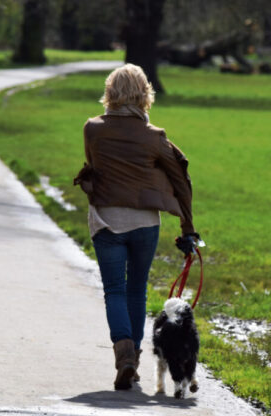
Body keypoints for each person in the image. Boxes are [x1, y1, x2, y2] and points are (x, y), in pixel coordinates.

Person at [74, 64, 199, 391]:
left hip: (106, 221)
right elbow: (181, 182)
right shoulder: (154, 137)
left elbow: (95, 166)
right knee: (136, 289)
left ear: (110, 92)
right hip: (145, 224)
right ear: (145, 94)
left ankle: (124, 356)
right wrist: (187, 227)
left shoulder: (92, 129)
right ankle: (135, 356)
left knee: (114, 290)